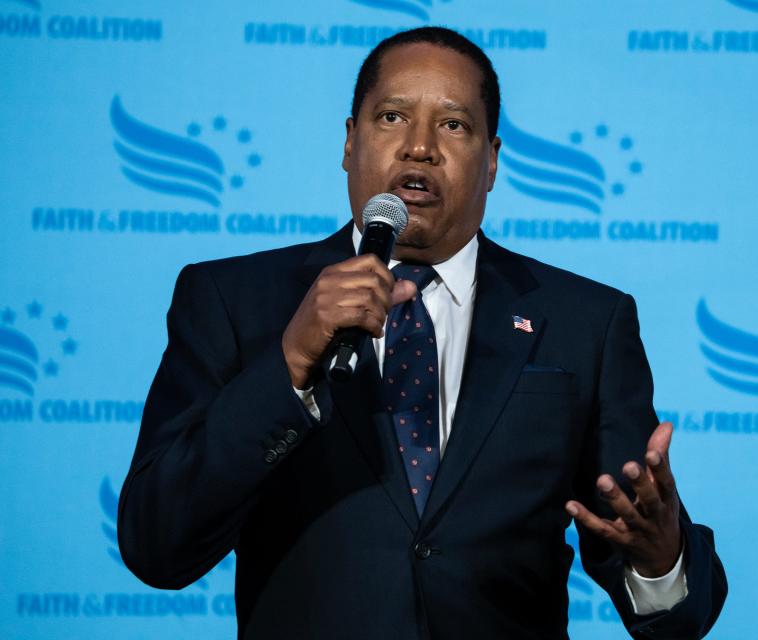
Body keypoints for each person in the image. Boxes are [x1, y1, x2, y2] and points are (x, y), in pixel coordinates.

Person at [118, 26, 726, 639]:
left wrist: (659, 559)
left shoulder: (585, 322)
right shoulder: (234, 301)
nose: (419, 148)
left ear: (491, 161)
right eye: (391, 117)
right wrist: (291, 361)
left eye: (453, 125)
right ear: (350, 142)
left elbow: (665, 597)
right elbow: (156, 545)